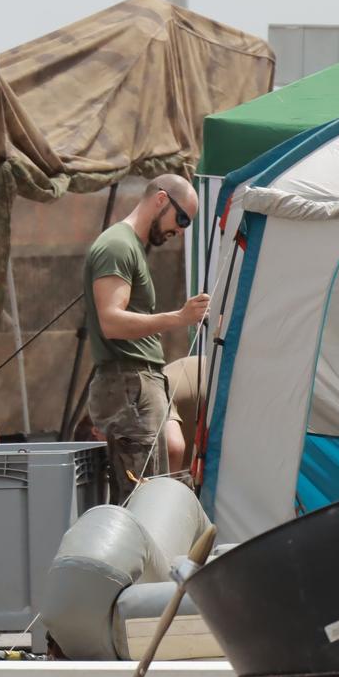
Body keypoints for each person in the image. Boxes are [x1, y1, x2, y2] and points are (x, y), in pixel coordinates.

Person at [83, 175, 209, 498]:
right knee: (140, 498)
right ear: (161, 199)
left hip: (140, 384)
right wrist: (179, 318)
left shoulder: (131, 248)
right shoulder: (117, 246)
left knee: (155, 485)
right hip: (130, 386)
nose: (180, 230)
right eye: (181, 218)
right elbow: (110, 321)